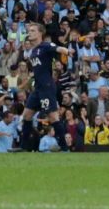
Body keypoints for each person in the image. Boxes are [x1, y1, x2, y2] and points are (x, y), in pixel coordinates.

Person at [20, 22, 70, 150]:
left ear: (40, 33)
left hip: (47, 87)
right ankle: (24, 147)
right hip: (38, 88)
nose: (29, 33)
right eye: (29, 30)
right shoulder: (33, 50)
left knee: (53, 117)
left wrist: (66, 50)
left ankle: (64, 148)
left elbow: (58, 49)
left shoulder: (45, 46)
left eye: (32, 31)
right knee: (26, 115)